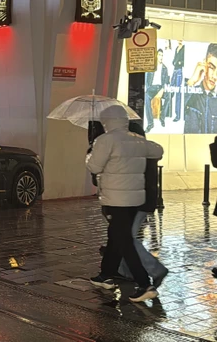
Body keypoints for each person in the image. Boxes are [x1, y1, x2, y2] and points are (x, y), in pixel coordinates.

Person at [87, 105, 164, 302]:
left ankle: (145, 283)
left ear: (107, 122)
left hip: (116, 200)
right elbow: (157, 150)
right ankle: (106, 275)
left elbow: (94, 166)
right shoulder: (137, 139)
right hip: (134, 200)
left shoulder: (105, 140)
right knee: (115, 236)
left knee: (124, 242)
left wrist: (90, 152)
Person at [184, 43, 217, 134]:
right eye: (211, 67)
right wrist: (192, 81)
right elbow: (173, 113)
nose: (215, 76)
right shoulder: (189, 95)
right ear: (204, 64)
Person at [144, 49, 169, 133]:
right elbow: (147, 80)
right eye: (160, 55)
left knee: (168, 96)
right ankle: (150, 123)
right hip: (152, 87)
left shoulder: (165, 68)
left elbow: (166, 81)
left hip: (160, 87)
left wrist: (163, 89)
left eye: (162, 55)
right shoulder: (151, 66)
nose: (161, 57)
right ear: (156, 56)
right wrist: (148, 89)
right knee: (146, 98)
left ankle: (162, 118)